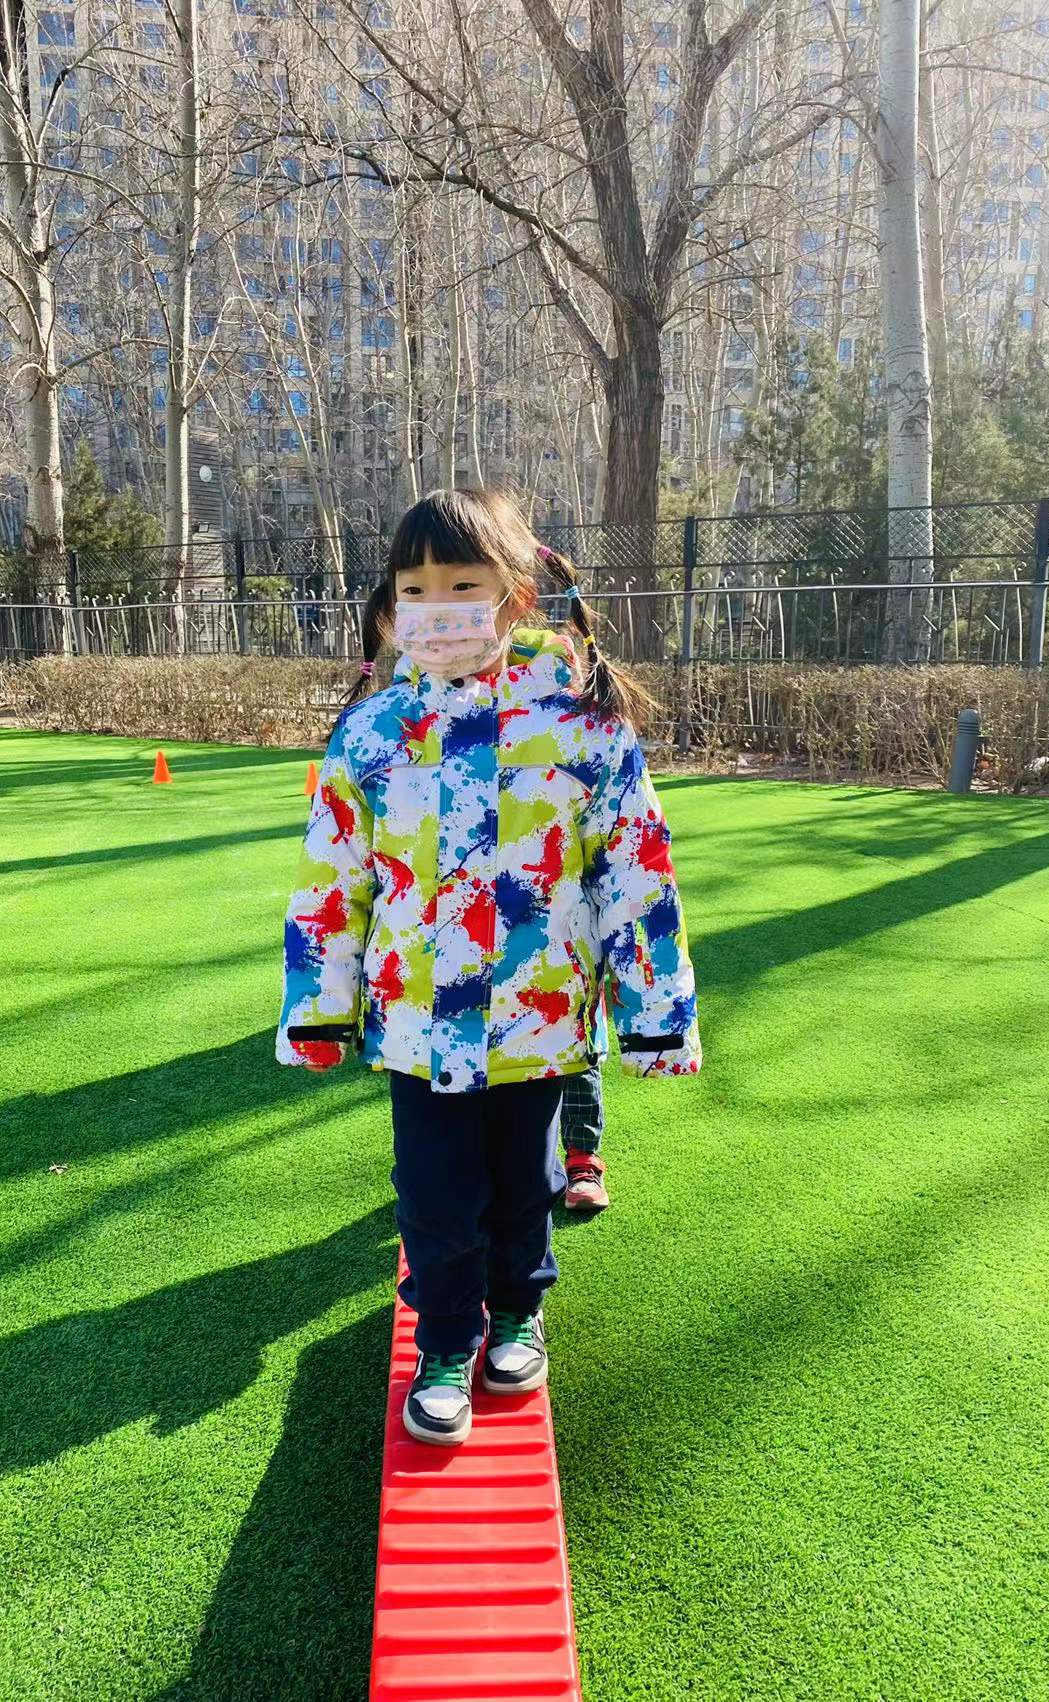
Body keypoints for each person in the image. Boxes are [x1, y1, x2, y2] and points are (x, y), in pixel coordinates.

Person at [275, 487, 700, 1447]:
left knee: (524, 1183)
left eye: (463, 585)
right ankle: (445, 1341)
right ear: (392, 604)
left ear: (514, 596)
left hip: (535, 1016)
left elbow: (636, 873)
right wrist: (318, 1007)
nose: (439, 607)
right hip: (417, 1023)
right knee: (433, 1193)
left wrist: (655, 1014)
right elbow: (331, 880)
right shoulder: (373, 734)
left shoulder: (582, 727)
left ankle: (517, 1312)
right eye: (416, 587)